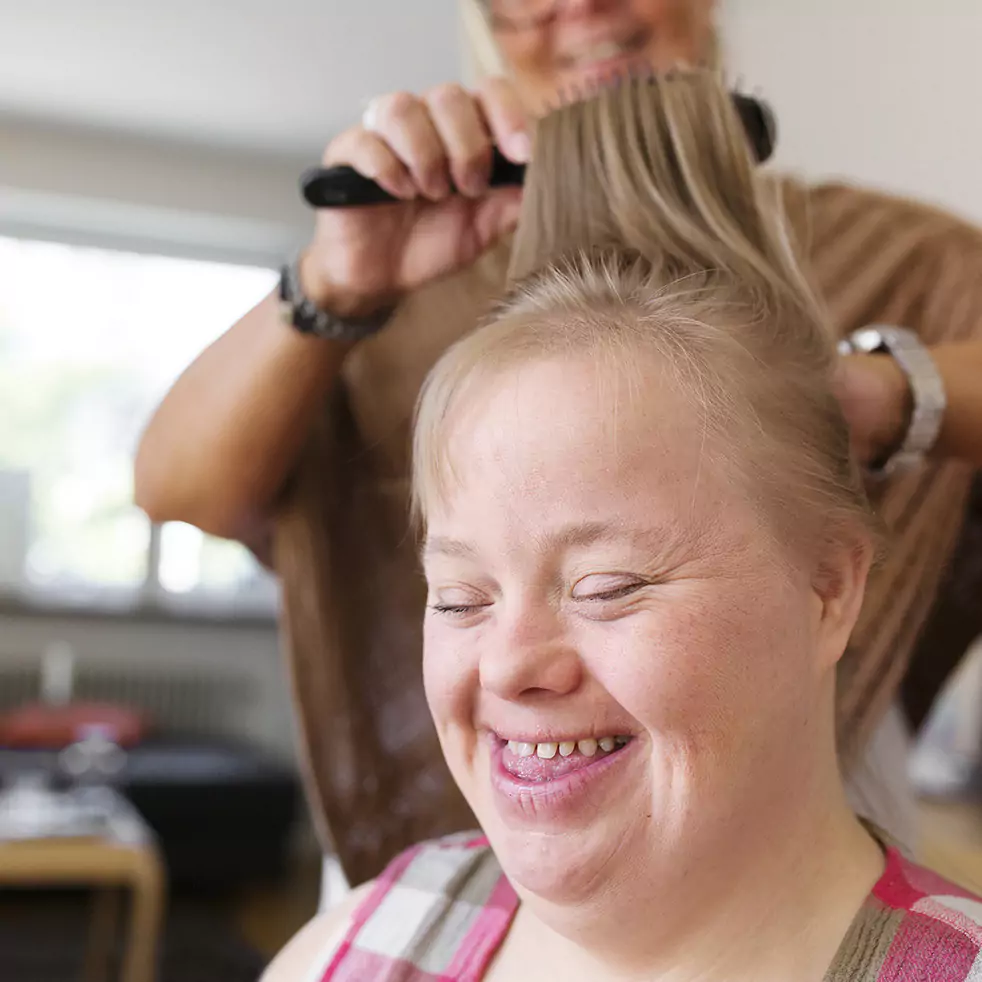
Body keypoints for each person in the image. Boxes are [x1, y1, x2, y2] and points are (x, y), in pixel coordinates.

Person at [135, 0, 982, 885]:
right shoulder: (392, 295)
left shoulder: (901, 261)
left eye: (613, 584)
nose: (578, 7)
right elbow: (174, 489)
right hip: (454, 855)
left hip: (805, 865)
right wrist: (336, 282)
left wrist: (871, 397)